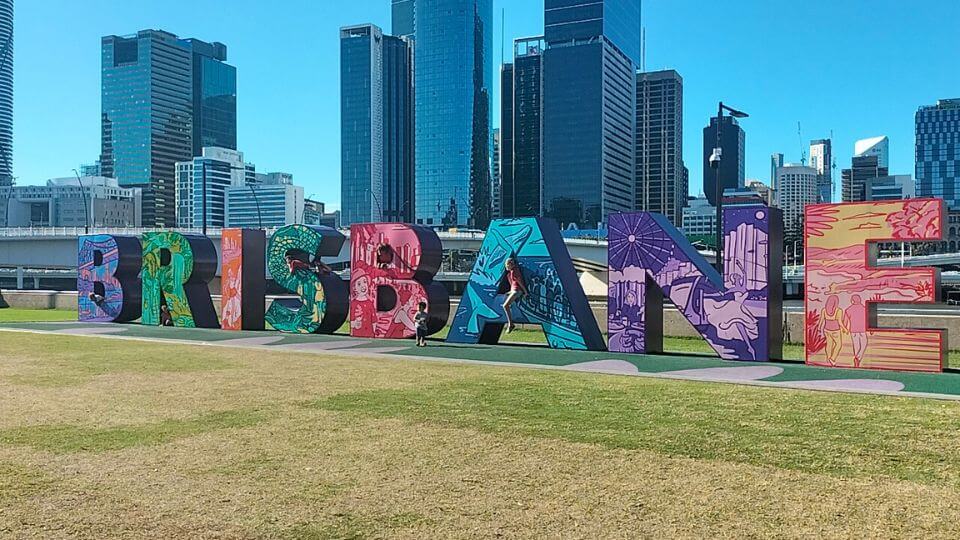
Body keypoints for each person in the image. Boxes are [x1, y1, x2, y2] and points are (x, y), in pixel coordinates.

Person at [817, 294, 848, 366]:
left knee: (829, 344)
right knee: (838, 344)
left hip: (826, 330)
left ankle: (828, 359)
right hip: (835, 330)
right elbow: (840, 322)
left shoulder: (824, 310)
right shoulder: (838, 311)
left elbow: (821, 321)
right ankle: (832, 359)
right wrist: (845, 329)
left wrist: (819, 329)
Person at [503, 257, 528, 333]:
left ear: (510, 264)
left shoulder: (514, 271)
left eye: (507, 265)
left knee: (505, 305)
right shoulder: (510, 273)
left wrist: (525, 292)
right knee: (507, 304)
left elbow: (519, 282)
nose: (506, 266)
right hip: (514, 290)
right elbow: (513, 284)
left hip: (517, 291)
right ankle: (510, 323)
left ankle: (510, 324)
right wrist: (510, 292)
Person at [846, 294, 868, 367]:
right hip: (862, 330)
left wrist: (846, 329)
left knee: (856, 346)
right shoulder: (864, 308)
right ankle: (858, 357)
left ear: (852, 300)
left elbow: (846, 321)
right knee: (864, 344)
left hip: (853, 330)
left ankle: (857, 358)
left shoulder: (848, 309)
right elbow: (868, 320)